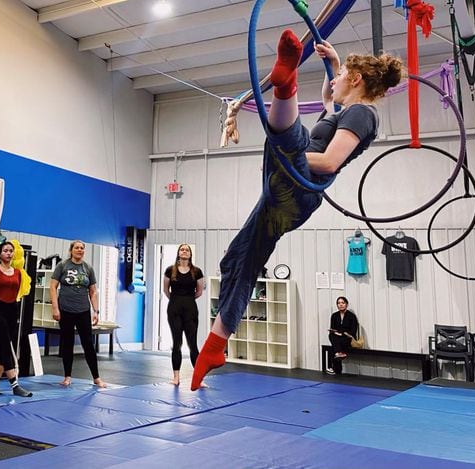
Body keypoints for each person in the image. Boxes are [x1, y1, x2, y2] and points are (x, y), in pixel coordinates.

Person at [191, 29, 403, 390]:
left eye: (339, 77)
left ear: (355, 80)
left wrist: (287, 161)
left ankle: (284, 84)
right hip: (284, 189)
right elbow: (329, 98)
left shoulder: (363, 115)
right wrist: (332, 66)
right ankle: (216, 344)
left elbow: (329, 162)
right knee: (238, 259)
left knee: (289, 140)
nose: (332, 82)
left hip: (301, 187)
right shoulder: (345, 109)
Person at [50, 239, 106, 388]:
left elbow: (93, 291)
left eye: (82, 248)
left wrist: (96, 311)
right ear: (71, 250)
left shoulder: (88, 268)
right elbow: (53, 287)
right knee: (67, 343)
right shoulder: (62, 266)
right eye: (77, 248)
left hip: (83, 311)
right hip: (65, 310)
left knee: (88, 344)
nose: (79, 250)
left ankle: (96, 377)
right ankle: (67, 376)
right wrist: (55, 308)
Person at [0, 241, 32, 397]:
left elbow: (17, 292)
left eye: (11, 251)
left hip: (12, 310)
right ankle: (15, 385)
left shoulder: (17, 272)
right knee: (5, 346)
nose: (9, 253)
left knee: (4, 345)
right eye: (5, 250)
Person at [163, 244, 204, 386]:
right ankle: (176, 378)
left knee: (193, 344)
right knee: (177, 343)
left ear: (190, 254)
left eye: (187, 249)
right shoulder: (170, 270)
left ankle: (199, 379)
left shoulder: (196, 271)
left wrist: (187, 300)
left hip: (190, 309)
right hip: (174, 309)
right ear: (178, 253)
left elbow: (199, 292)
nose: (184, 251)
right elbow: (166, 290)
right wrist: (177, 300)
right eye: (182, 249)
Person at [326, 296, 359, 375]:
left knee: (335, 346)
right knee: (331, 336)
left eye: (343, 303)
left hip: (347, 338)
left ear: (346, 304)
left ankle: (334, 368)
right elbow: (332, 329)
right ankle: (338, 353)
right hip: (337, 337)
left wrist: (343, 334)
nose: (340, 305)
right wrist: (335, 333)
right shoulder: (334, 315)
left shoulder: (351, 316)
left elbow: (353, 332)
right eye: (339, 303)